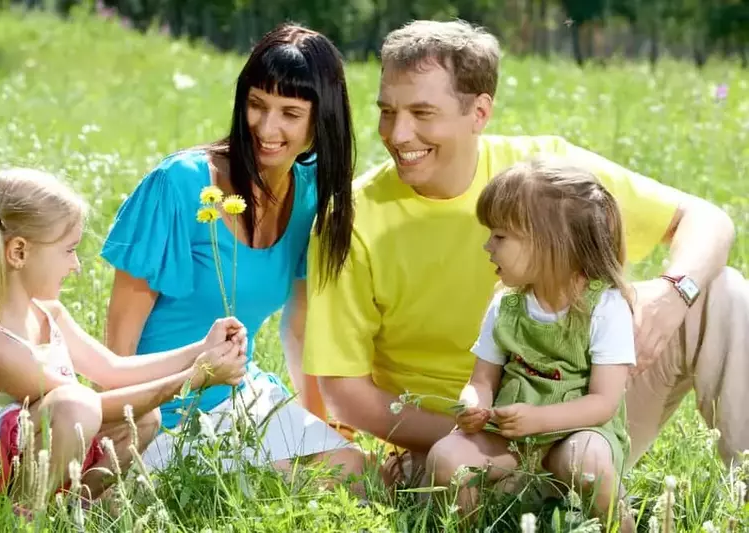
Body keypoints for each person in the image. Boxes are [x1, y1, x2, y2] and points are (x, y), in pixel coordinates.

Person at [302, 18, 747, 497]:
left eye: (422, 112)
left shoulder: (546, 173)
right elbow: (346, 396)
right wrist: (484, 430)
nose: (398, 133)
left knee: (722, 293)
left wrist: (671, 292)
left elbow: (708, 219)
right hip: (461, 447)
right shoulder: (348, 219)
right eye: (387, 111)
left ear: (479, 112)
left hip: (584, 423)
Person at [101, 23, 364, 480]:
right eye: (257, 105)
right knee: (271, 480)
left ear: (321, 121)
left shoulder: (310, 194)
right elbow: (119, 341)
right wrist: (118, 433)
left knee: (353, 470)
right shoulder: (180, 184)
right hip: (157, 412)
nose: (267, 128)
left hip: (238, 397)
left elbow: (298, 329)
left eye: (290, 112)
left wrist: (322, 426)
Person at [0, 168, 248, 510]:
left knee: (143, 419)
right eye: (68, 250)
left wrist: (201, 349)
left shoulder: (49, 314)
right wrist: (195, 377)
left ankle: (74, 510)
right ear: (18, 252)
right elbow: (88, 408)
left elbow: (113, 370)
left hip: (32, 458)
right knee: (76, 404)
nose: (76, 265)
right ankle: (22, 517)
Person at [426, 157, 637, 528]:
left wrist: (540, 420)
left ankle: (621, 525)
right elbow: (482, 379)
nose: (487, 246)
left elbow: (604, 402)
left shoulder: (605, 307)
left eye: (500, 236)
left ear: (551, 244)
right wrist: (472, 405)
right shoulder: (507, 305)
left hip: (576, 433)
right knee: (447, 458)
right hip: (511, 435)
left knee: (587, 465)